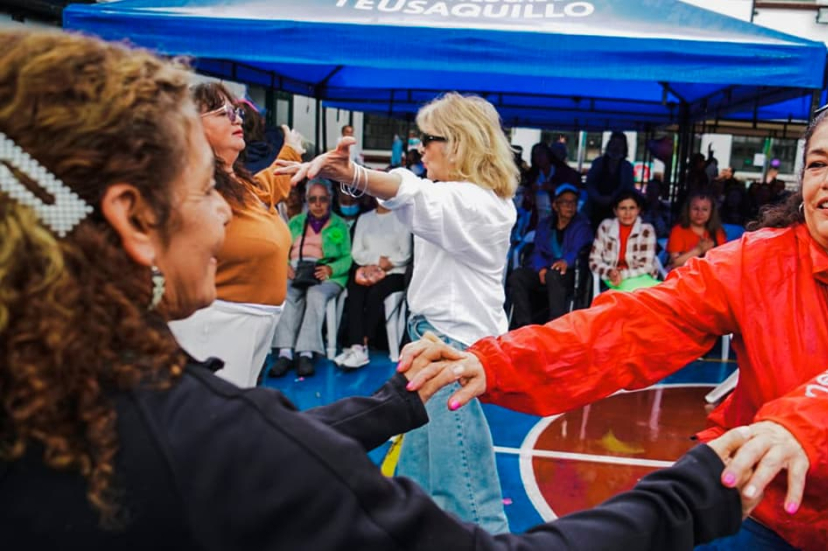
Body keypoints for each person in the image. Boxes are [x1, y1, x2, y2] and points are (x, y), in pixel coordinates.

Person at [0, 29, 763, 550]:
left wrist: (397, 398)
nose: (228, 211)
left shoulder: (56, 400)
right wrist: (692, 493)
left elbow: (263, 444)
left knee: (457, 489)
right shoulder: (197, 435)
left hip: (446, 354)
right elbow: (258, 451)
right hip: (437, 355)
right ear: (133, 219)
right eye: (209, 189)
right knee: (456, 502)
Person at [400, 92, 828, 550]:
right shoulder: (760, 260)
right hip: (762, 506)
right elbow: (636, 322)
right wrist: (497, 358)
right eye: (816, 164)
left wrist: (803, 428)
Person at [278, 92, 519, 533]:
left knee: (468, 496)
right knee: (416, 485)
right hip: (434, 346)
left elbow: (409, 191)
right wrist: (345, 176)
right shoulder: (459, 198)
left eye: (428, 139)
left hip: (451, 353)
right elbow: (401, 198)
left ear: (459, 143)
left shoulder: (478, 204)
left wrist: (352, 172)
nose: (420, 147)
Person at [166, 81, 304, 388]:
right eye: (222, 112)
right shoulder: (191, 186)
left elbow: (270, 185)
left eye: (236, 111)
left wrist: (292, 148)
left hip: (250, 327)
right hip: (213, 327)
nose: (236, 118)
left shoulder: (239, 183)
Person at [269, 180, 353, 378]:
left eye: (323, 199)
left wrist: (331, 269)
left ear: (330, 200)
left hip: (326, 272)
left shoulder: (339, 224)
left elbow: (348, 257)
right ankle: (285, 352)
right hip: (297, 269)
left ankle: (305, 352)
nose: (318, 204)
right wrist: (285, 265)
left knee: (315, 294)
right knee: (287, 292)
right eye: (313, 199)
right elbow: (281, 249)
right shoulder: (296, 222)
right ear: (307, 201)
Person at [332, 201, 413, 369]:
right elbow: (356, 252)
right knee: (354, 289)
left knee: (376, 293)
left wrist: (385, 265)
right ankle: (356, 346)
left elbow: (405, 254)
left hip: (394, 272)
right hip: (367, 269)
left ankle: (363, 342)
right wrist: (375, 263)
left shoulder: (402, 218)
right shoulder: (364, 218)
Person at [506, 183, 592, 329]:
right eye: (565, 202)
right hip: (545, 270)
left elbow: (578, 249)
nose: (570, 206)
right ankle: (524, 326)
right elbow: (538, 250)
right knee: (517, 276)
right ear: (555, 205)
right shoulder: (545, 225)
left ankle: (555, 327)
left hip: (569, 273)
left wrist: (566, 261)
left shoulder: (582, 225)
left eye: (573, 202)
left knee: (554, 275)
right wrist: (541, 268)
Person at [590, 189, 659, 292]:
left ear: (638, 210)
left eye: (632, 208)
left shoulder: (646, 230)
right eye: (623, 208)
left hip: (640, 277)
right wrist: (610, 272)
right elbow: (594, 260)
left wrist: (622, 274)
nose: (627, 213)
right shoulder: (605, 227)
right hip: (613, 277)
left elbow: (647, 266)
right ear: (615, 211)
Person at [584, 131, 634, 230]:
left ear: (624, 148)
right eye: (614, 144)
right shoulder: (598, 162)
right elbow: (590, 183)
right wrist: (598, 197)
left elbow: (628, 189)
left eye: (620, 145)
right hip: (595, 210)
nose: (616, 148)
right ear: (609, 145)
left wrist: (613, 198)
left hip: (617, 212)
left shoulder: (627, 167)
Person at [524, 142, 581, 223]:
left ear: (548, 155)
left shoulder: (563, 173)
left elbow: (575, 190)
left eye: (541, 153)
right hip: (538, 219)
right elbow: (526, 205)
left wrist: (555, 188)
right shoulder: (532, 175)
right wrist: (529, 193)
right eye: (535, 155)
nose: (539, 157)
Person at [667, 194, 727, 271]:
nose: (699, 213)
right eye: (695, 209)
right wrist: (698, 250)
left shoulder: (718, 232)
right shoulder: (678, 231)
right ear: (688, 210)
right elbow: (675, 264)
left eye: (705, 209)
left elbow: (723, 262)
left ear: (711, 212)